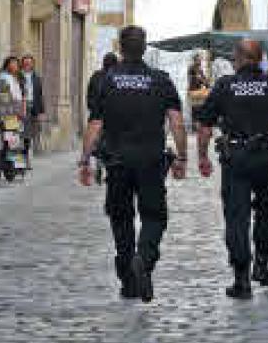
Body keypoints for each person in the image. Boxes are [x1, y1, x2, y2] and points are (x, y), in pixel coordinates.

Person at [196, 40, 268, 299]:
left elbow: (205, 127)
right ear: (259, 59)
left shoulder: (224, 86)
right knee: (266, 213)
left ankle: (241, 279)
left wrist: (202, 157)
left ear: (237, 58)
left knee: (237, 218)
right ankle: (261, 263)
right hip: (267, 160)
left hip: (235, 160)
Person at [78, 26, 187, 303]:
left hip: (117, 161)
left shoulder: (107, 80)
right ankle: (144, 259)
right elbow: (175, 121)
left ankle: (128, 278)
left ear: (120, 48)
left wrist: (85, 159)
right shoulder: (160, 80)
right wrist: (182, 157)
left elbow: (95, 123)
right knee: (154, 217)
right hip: (151, 160)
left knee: (121, 218)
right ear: (144, 47)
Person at [86, 52, 119, 184]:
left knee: (97, 142)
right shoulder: (117, 77)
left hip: (97, 115)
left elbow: (89, 95)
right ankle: (109, 168)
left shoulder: (96, 76)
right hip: (113, 117)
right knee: (112, 143)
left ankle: (99, 162)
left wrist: (93, 109)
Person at [20, 54, 45, 158]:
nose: (27, 65)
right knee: (19, 133)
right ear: (22, 64)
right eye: (25, 63)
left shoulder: (37, 78)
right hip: (20, 107)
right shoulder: (17, 76)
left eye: (29, 63)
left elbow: (40, 96)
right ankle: (18, 159)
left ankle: (24, 157)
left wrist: (41, 112)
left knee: (28, 134)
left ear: (32, 65)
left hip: (32, 108)